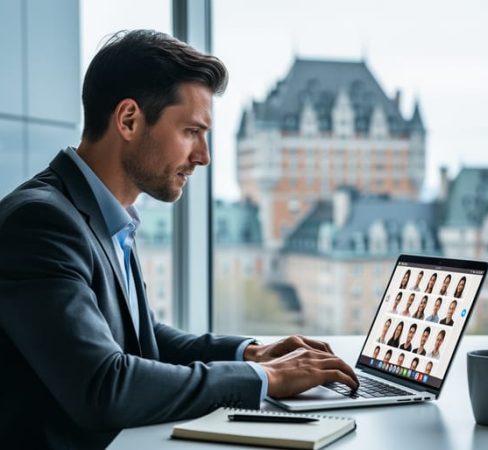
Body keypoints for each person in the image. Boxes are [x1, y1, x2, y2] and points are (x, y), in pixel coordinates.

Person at [0, 30, 358, 449]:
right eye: (192, 131)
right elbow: (103, 386)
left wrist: (249, 354)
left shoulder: (102, 213)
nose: (204, 155)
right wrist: (267, 379)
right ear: (129, 119)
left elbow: (143, 339)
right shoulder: (41, 222)